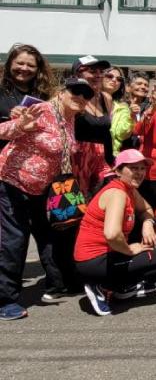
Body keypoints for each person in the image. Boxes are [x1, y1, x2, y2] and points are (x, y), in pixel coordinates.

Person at [0, 78, 93, 320]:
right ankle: (5, 299)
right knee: (14, 241)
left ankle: (58, 282)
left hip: (42, 189)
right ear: (61, 93)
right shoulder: (40, 109)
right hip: (12, 182)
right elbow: (3, 132)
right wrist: (21, 126)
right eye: (76, 91)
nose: (81, 97)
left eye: (87, 95)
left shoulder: (69, 119)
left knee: (49, 236)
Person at [74, 150, 156, 316]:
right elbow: (112, 234)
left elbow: (147, 209)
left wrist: (147, 224)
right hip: (94, 260)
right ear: (118, 171)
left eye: (142, 168)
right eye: (133, 168)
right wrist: (129, 250)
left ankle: (121, 287)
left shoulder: (129, 190)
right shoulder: (117, 193)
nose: (140, 173)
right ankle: (101, 285)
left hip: (104, 256)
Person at [0, 43, 55, 150]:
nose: (24, 68)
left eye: (31, 65)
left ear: (38, 69)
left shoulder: (45, 95)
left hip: (32, 159)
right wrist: (10, 118)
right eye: (20, 63)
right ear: (10, 64)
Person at [72, 55, 114, 195]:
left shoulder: (106, 98)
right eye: (92, 71)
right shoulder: (70, 97)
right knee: (78, 207)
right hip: (77, 162)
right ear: (78, 73)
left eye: (100, 72)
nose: (97, 75)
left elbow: (107, 133)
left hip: (103, 161)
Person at [102, 66, 133, 156]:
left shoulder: (123, 108)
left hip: (111, 155)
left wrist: (132, 117)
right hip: (86, 152)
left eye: (119, 79)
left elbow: (121, 135)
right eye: (109, 76)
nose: (114, 80)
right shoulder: (87, 101)